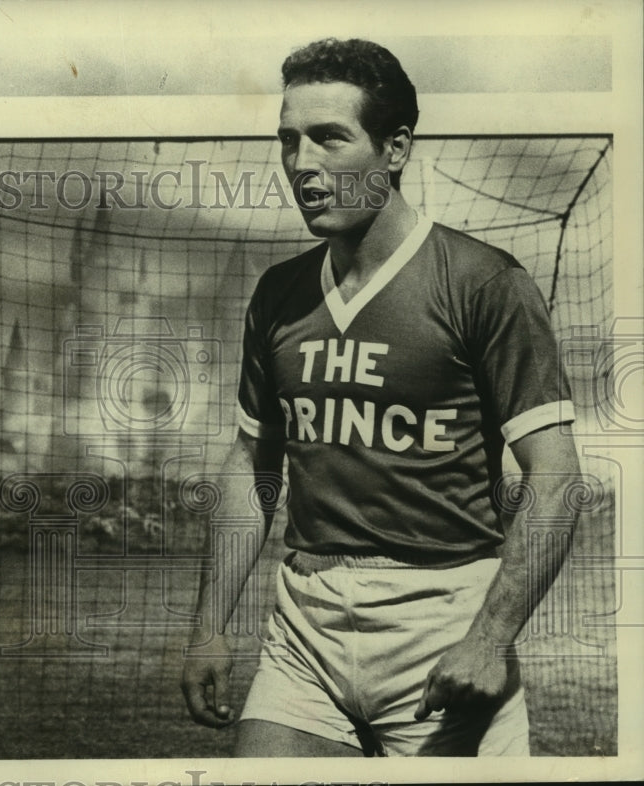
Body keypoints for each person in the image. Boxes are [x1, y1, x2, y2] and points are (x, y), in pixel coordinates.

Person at [181, 38, 581, 757]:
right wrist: (210, 626)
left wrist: (489, 641)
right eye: (288, 141)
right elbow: (252, 465)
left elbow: (556, 478)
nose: (302, 165)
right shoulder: (278, 296)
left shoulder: (483, 283)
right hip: (305, 625)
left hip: (443, 619)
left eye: (330, 138)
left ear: (395, 149)